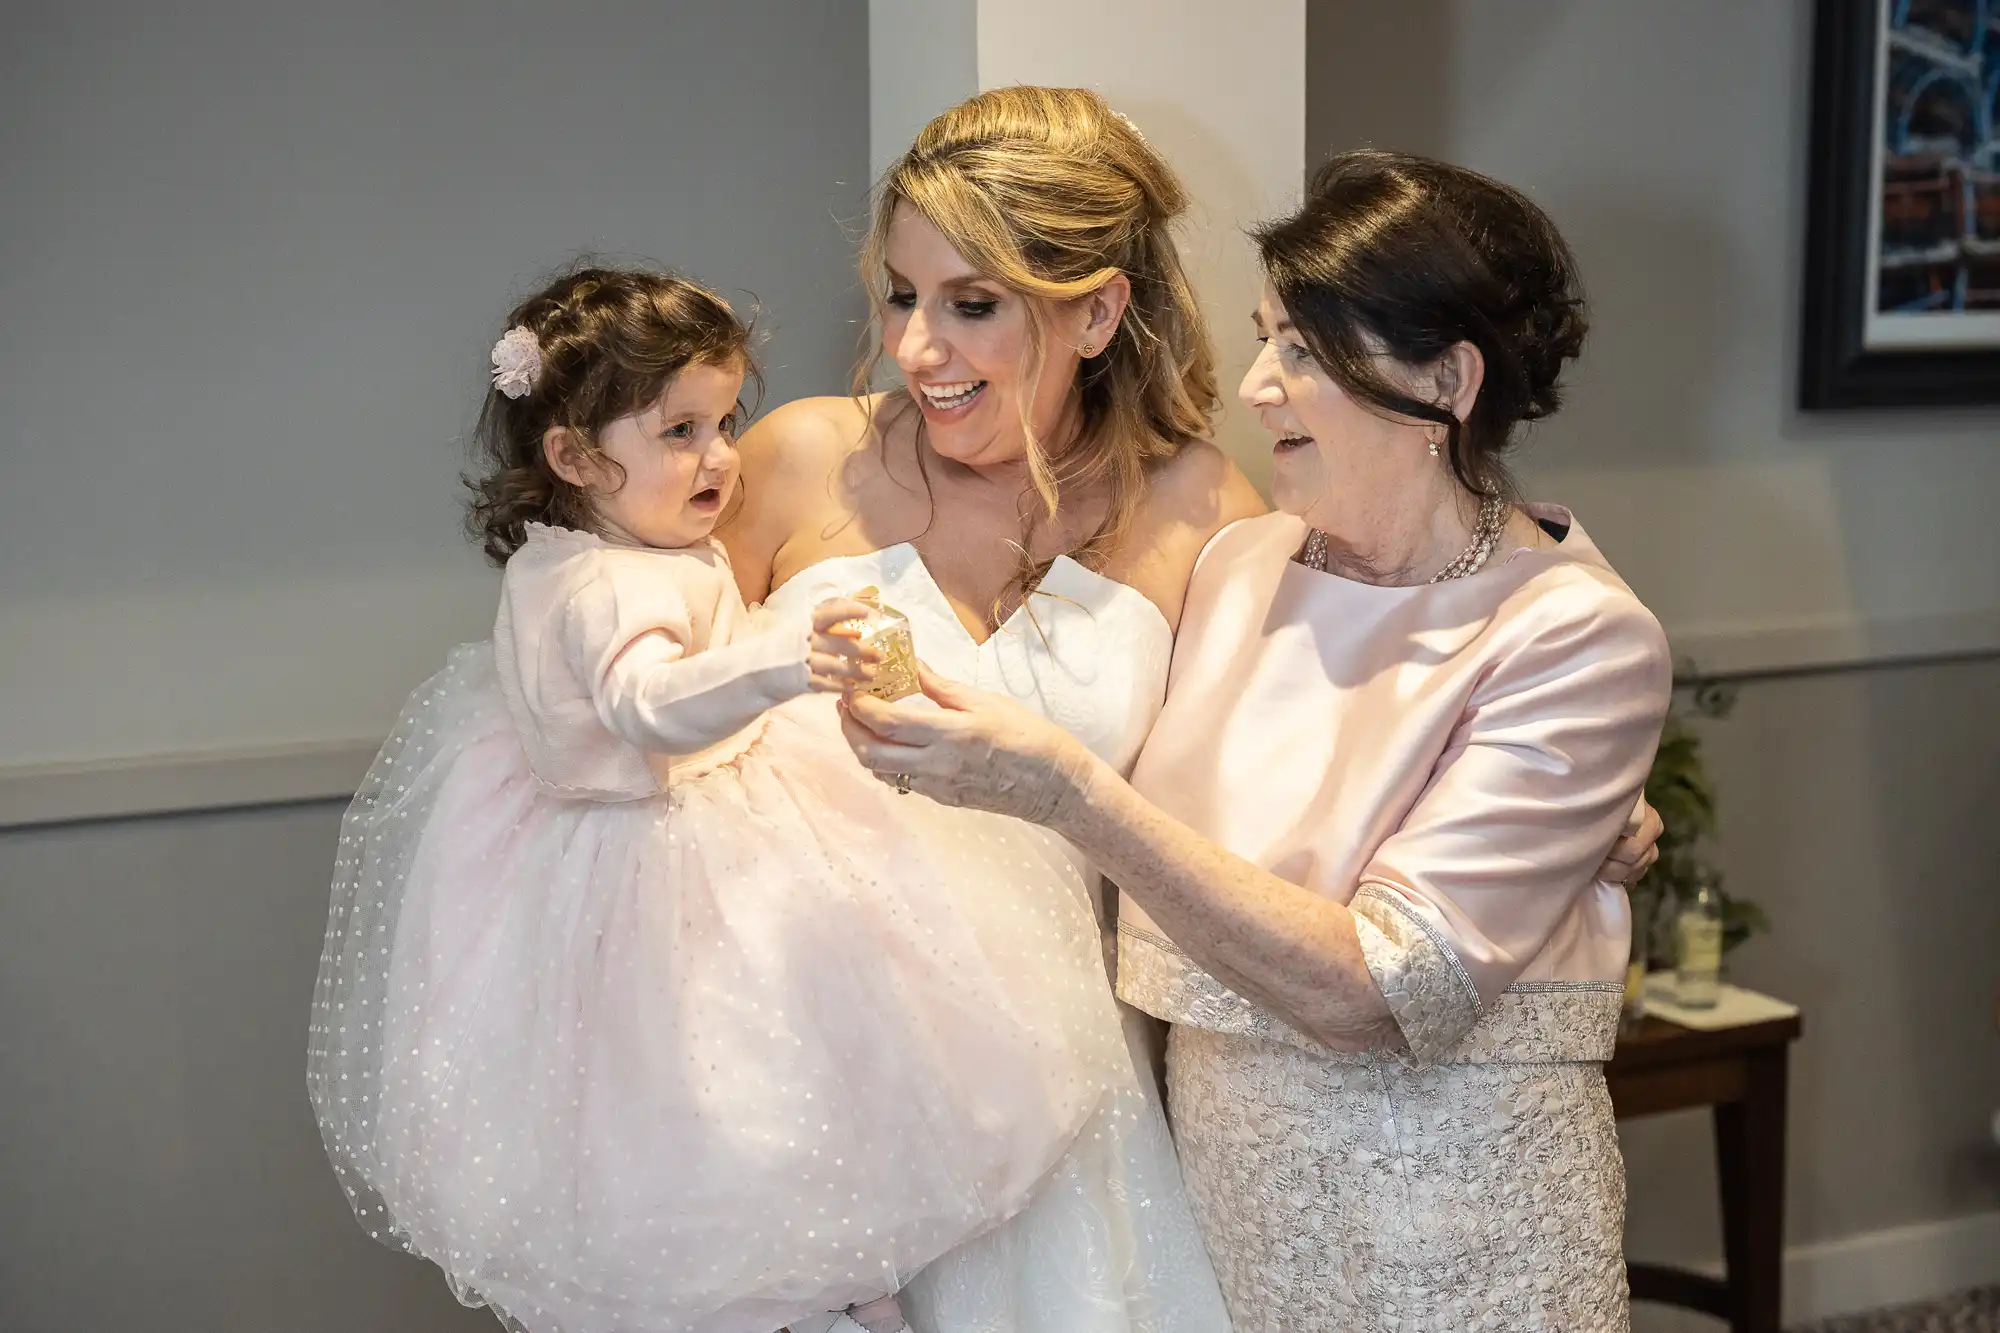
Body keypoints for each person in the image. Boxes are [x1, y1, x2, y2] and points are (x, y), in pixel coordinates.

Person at [837, 150, 1674, 1332]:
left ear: (1445, 378)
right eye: (1265, 338)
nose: (1259, 387)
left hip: (1452, 1229)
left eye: (1302, 351)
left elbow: (1382, 994)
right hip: (1224, 1218)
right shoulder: (1240, 564)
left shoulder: (1573, 633)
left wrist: (1067, 792)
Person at [305, 266, 1139, 1333]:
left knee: (788, 1062)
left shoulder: (616, 549)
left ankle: (842, 1275)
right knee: (720, 1090)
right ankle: (809, 1292)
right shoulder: (602, 586)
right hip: (650, 853)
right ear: (572, 456)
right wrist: (785, 658)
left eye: (725, 419)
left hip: (678, 816)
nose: (720, 457)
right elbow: (645, 705)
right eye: (681, 431)